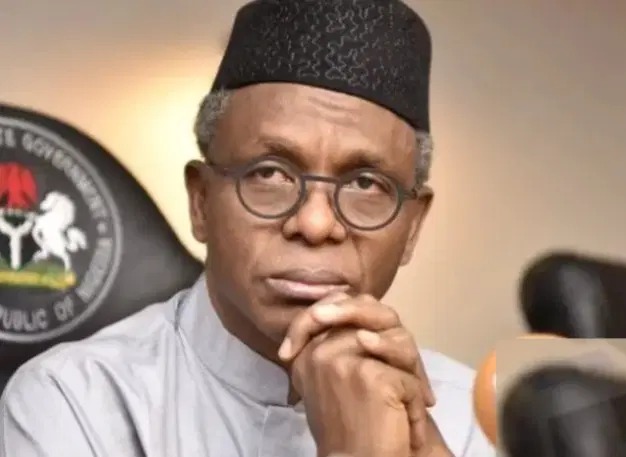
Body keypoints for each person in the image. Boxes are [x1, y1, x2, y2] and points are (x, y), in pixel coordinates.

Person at [0, 1, 495, 456]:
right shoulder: (72, 400)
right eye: (270, 174)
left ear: (412, 228)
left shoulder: (469, 417)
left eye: (366, 183)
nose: (316, 223)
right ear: (201, 202)